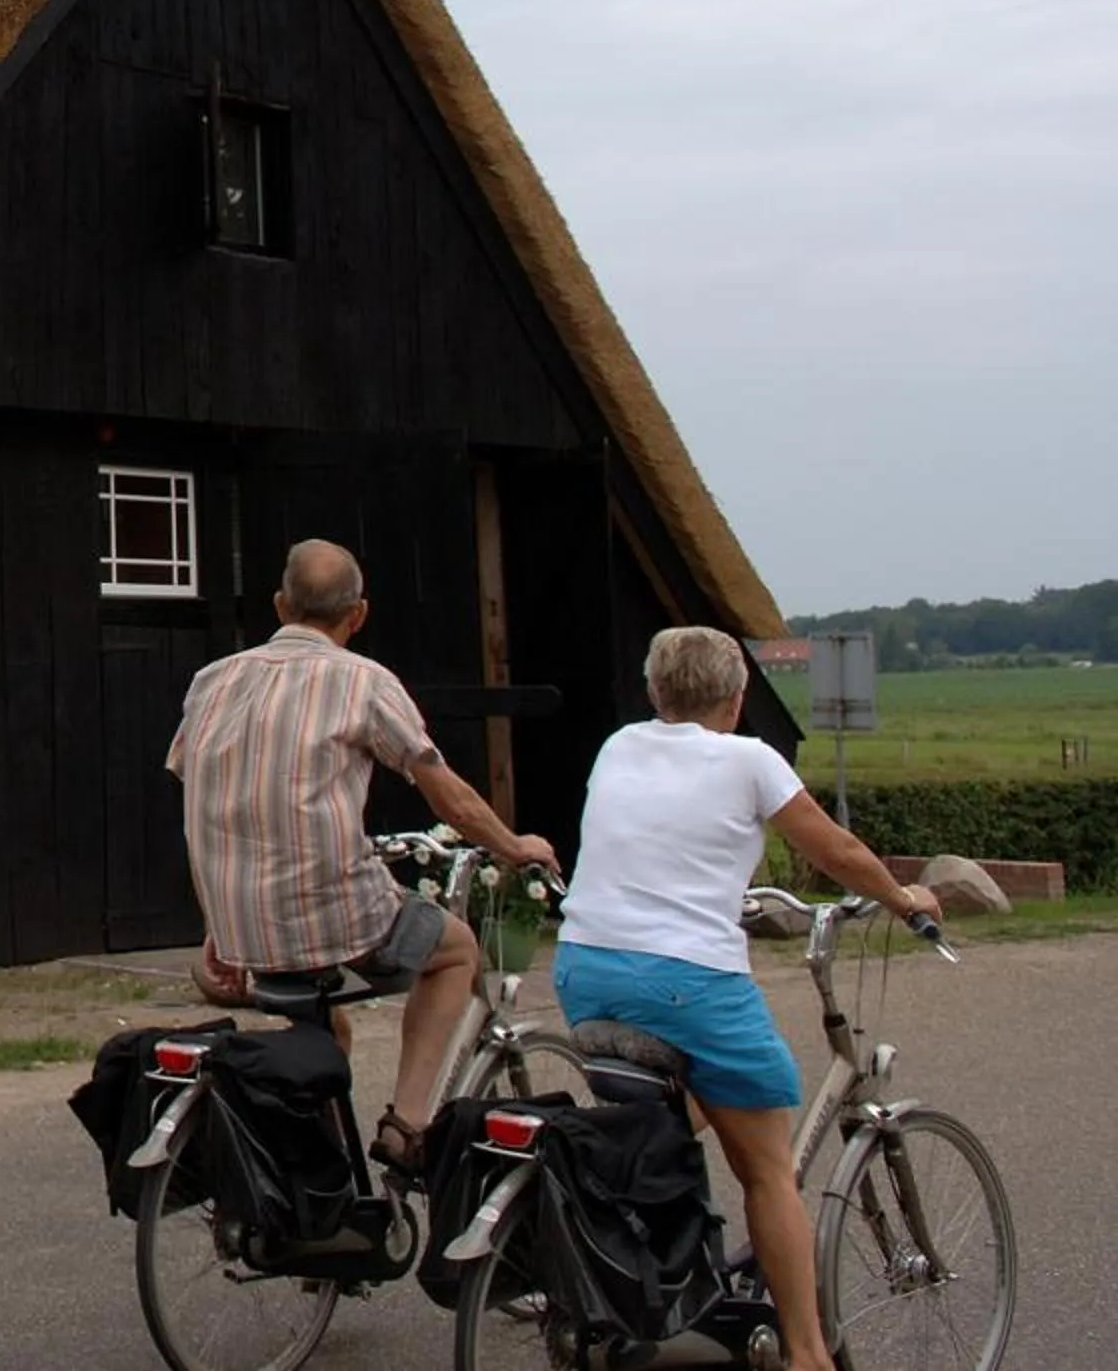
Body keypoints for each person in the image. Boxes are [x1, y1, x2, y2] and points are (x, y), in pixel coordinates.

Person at [554, 626, 936, 1371]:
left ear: (655, 694)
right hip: (687, 978)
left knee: (696, 1094)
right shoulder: (750, 759)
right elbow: (837, 851)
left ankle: (653, 1263)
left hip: (583, 967)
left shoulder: (620, 745)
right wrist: (905, 898)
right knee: (766, 1165)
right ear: (737, 700)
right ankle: (806, 1354)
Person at [169, 538, 559, 1170]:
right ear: (358, 616)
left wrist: (216, 923)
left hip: (239, 920)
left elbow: (204, 797)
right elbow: (449, 798)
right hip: (329, 910)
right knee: (455, 950)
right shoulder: (363, 682)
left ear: (279, 604)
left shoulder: (211, 681)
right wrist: (515, 848)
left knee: (326, 1030)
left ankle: (323, 1174)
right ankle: (407, 1125)